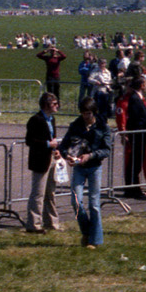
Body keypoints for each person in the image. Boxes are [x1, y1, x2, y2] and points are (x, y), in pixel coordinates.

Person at [60, 97, 112, 249]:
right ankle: (86, 231)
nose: (86, 117)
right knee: (75, 201)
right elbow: (64, 145)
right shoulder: (75, 125)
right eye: (83, 113)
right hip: (79, 168)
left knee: (94, 204)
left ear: (94, 112)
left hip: (95, 167)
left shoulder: (103, 127)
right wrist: (67, 155)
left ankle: (94, 240)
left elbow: (106, 150)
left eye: (88, 113)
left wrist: (91, 155)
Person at [24, 93, 63, 233]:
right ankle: (34, 224)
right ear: (46, 105)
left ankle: (52, 222)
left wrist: (56, 149)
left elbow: (54, 138)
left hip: (51, 158)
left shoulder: (52, 119)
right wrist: (48, 144)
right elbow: (30, 141)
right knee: (38, 194)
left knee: (50, 193)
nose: (57, 106)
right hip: (40, 160)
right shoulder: (35, 120)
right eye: (54, 103)